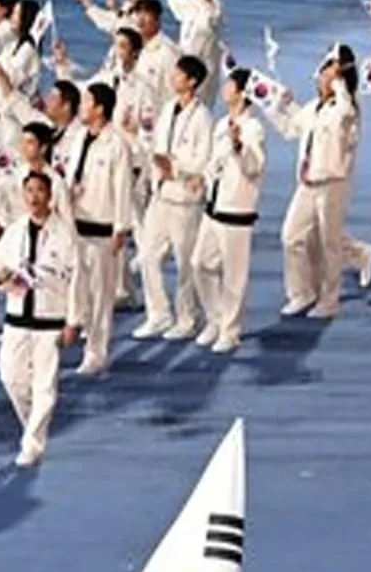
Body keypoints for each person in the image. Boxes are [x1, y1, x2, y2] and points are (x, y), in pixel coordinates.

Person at [0, 171, 80, 467]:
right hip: (17, 316)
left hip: (49, 319)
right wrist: (2, 278)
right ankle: (33, 424)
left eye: (39, 190)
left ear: (50, 196)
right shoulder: (14, 231)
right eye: (29, 190)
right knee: (10, 376)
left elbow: (77, 281)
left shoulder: (65, 235)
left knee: (44, 386)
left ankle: (32, 444)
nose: (34, 197)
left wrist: (73, 321)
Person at [273, 46, 360, 320]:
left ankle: (329, 300)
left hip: (332, 183)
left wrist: (339, 83)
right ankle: (301, 293)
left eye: (330, 75)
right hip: (307, 182)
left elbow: (345, 114)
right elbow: (290, 129)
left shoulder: (347, 109)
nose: (324, 78)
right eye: (323, 73)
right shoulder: (313, 108)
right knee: (291, 236)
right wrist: (282, 106)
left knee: (328, 244)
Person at [133, 54, 213, 340]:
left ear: (192, 81)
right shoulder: (168, 109)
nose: (173, 77)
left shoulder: (203, 117)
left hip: (185, 200)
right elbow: (157, 144)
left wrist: (176, 167)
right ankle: (158, 314)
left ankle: (188, 317)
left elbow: (203, 158)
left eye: (179, 74)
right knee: (147, 256)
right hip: (161, 194)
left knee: (185, 262)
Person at [193, 68, 267, 353]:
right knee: (200, 263)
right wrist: (203, 178)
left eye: (230, 84)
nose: (224, 88)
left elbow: (254, 166)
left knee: (234, 275)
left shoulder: (254, 128)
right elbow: (216, 161)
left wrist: (239, 146)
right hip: (214, 205)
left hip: (237, 209)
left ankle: (230, 330)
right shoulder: (222, 123)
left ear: (242, 92)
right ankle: (215, 318)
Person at [64, 82, 134, 376]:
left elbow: (123, 187)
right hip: (75, 222)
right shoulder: (80, 137)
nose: (81, 107)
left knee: (101, 294)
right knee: (76, 288)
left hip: (102, 227)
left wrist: (121, 227)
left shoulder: (117, 144)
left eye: (86, 102)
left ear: (100, 109)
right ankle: (77, 329)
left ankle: (96, 351)